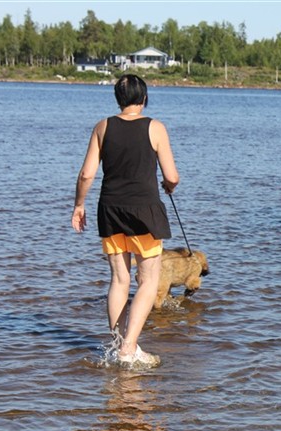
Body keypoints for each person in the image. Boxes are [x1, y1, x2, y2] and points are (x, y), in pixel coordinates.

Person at [71, 74, 179, 367]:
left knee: (119, 279)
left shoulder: (103, 127)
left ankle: (118, 345)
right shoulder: (155, 127)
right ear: (144, 99)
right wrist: (169, 187)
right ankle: (129, 348)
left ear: (118, 99)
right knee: (148, 280)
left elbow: (86, 174)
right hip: (144, 211)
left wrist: (79, 205)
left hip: (109, 209)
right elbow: (171, 176)